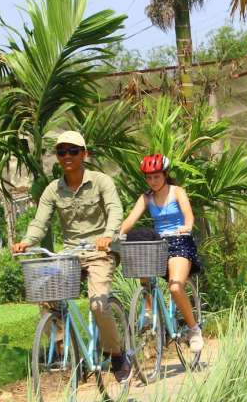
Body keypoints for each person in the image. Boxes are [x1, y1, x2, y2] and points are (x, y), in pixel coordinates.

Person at [11, 131, 127, 377]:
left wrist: (108, 235)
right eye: (61, 152)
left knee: (98, 304)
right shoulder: (53, 190)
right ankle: (70, 353)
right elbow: (40, 222)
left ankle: (116, 353)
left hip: (100, 253)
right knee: (46, 294)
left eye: (73, 151)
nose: (67, 156)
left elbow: (115, 210)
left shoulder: (101, 181)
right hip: (70, 255)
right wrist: (26, 241)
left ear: (84, 154)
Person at [119, 154, 204, 353]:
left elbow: (189, 216)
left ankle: (194, 330)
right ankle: (149, 310)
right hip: (159, 244)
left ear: (165, 175)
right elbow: (131, 220)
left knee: (175, 288)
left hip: (180, 241)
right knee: (139, 252)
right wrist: (118, 234)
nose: (152, 181)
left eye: (156, 176)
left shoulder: (177, 192)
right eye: (148, 177)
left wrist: (187, 227)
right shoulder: (146, 197)